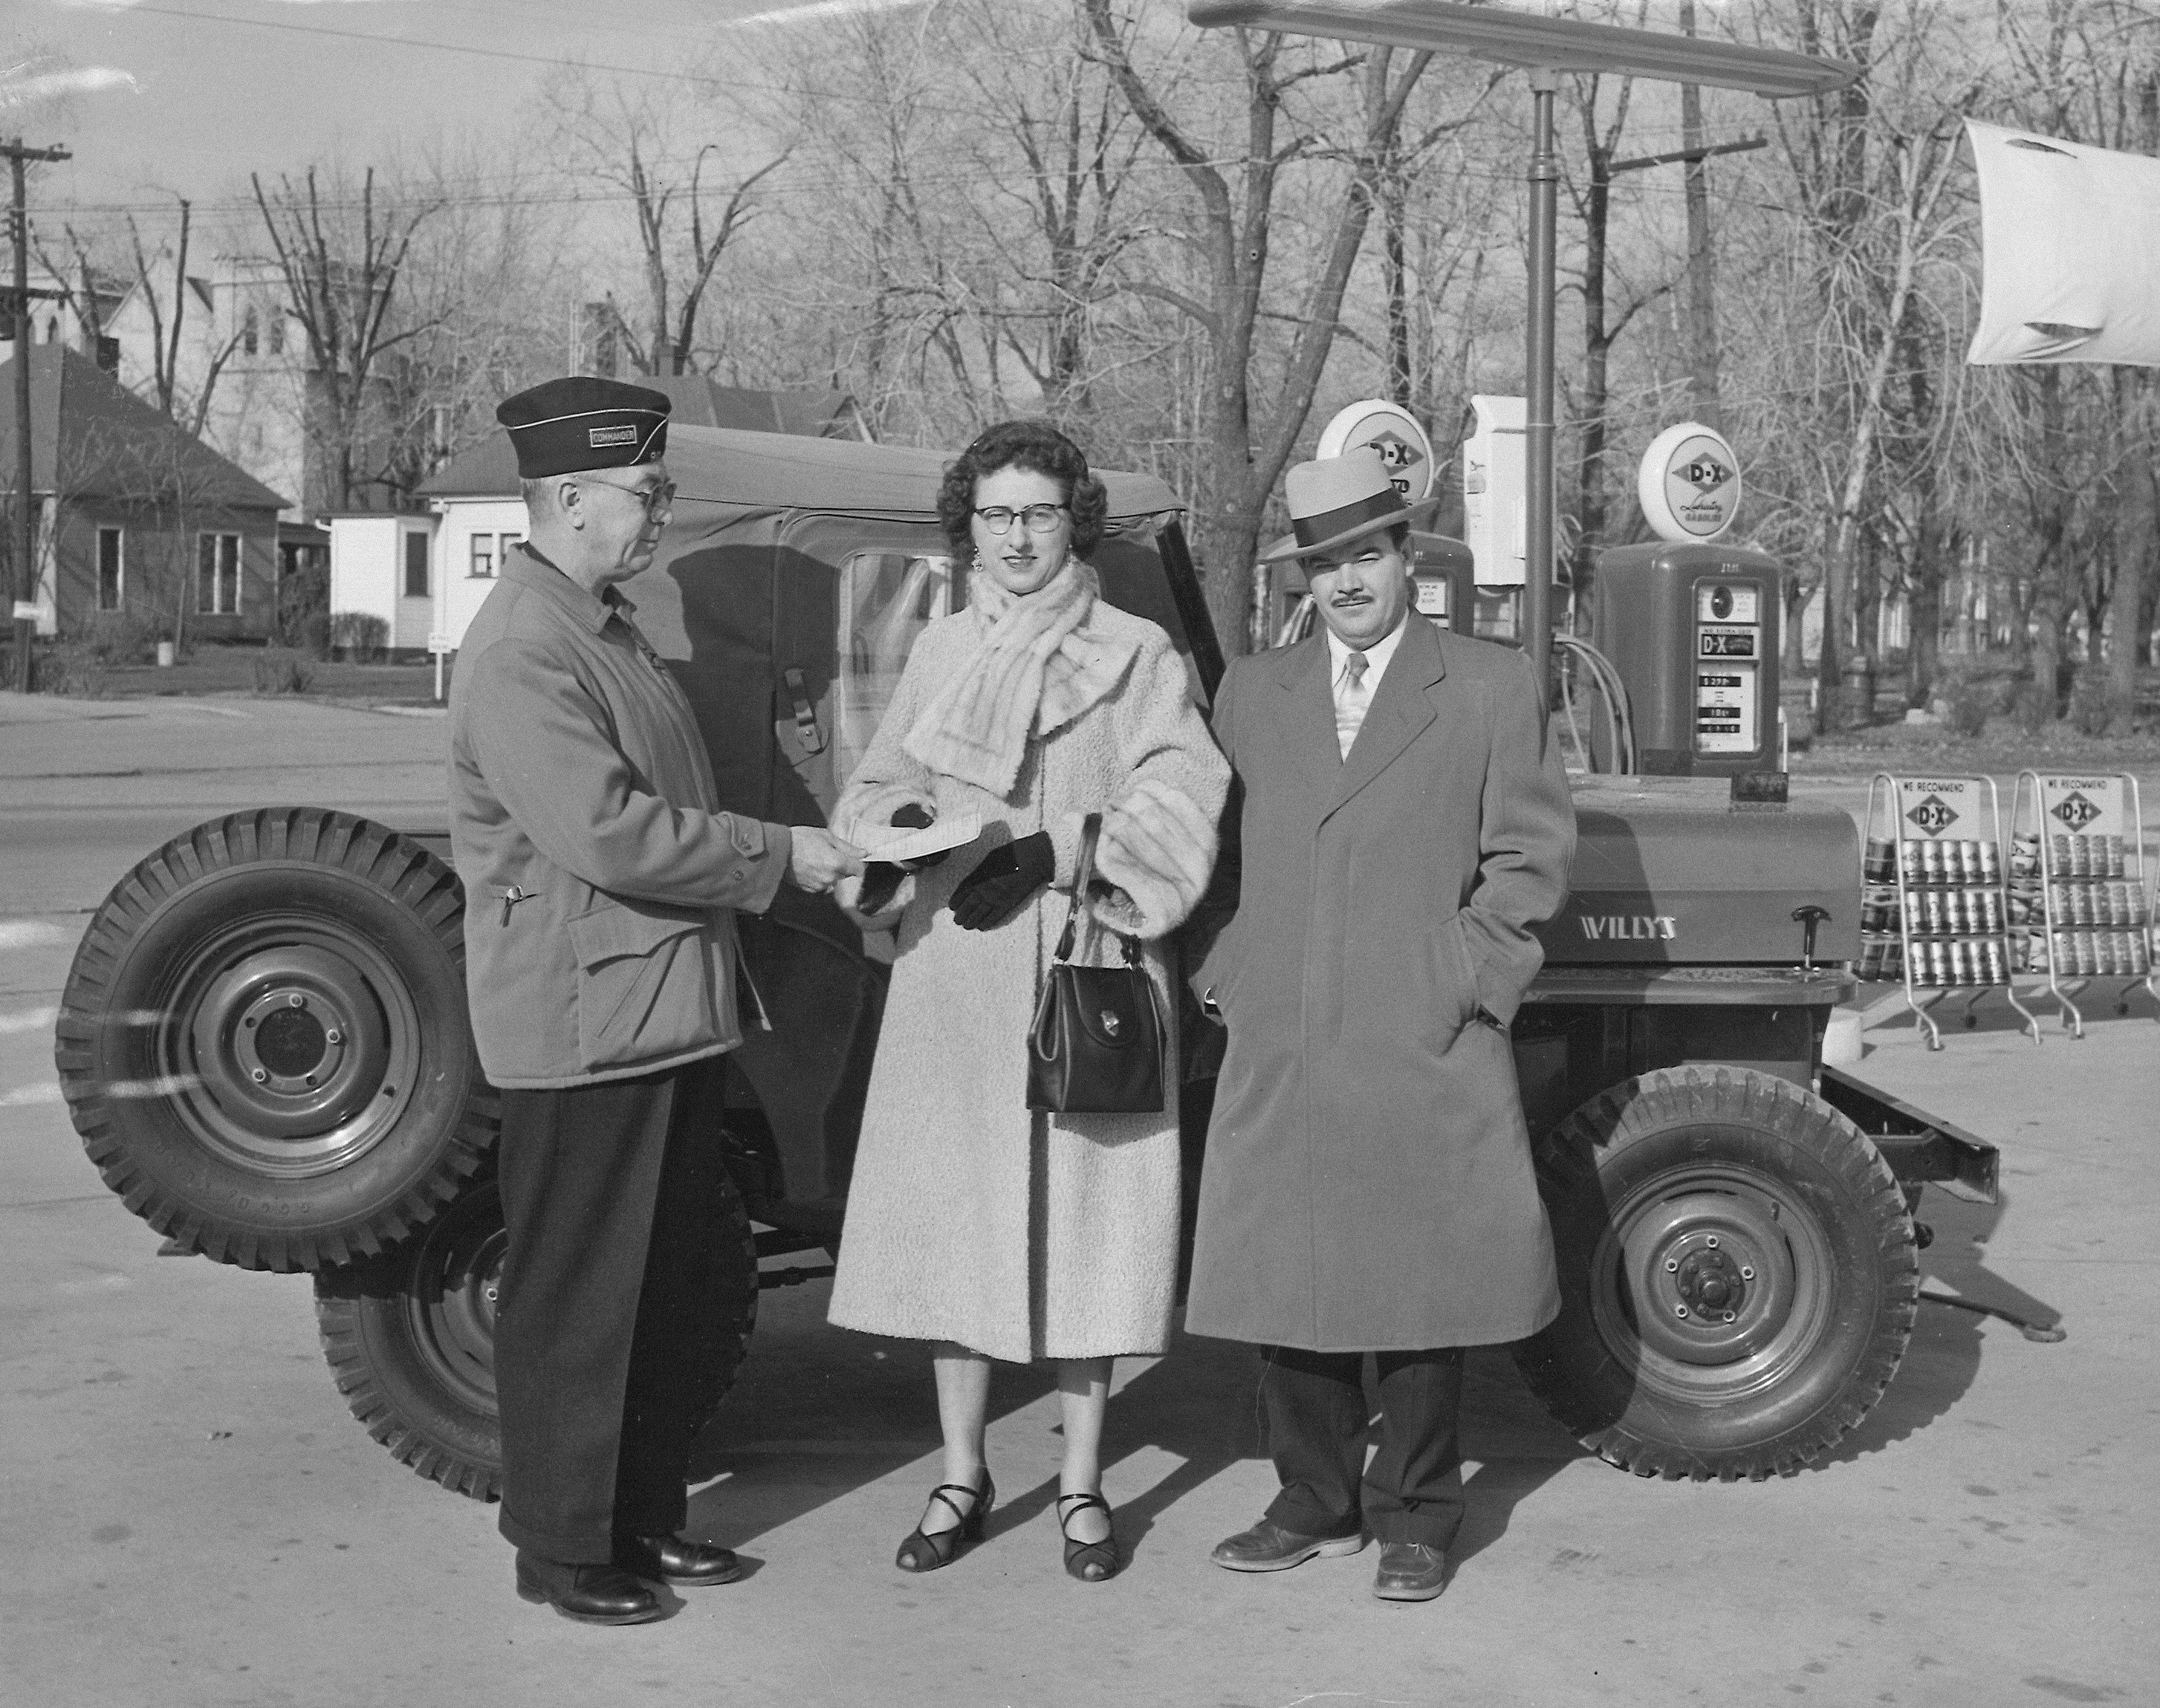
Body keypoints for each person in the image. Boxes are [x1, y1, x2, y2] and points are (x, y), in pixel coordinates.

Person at [447, 376, 863, 1626]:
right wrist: (782, 855)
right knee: (582, 1294)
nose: (659, 513)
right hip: (586, 1026)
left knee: (673, 1284)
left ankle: (641, 1517)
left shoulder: (597, 624)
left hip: (658, 1010)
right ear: (568, 498)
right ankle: (566, 1549)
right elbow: (610, 835)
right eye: (646, 493)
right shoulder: (526, 645)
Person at [823, 420, 1228, 1582]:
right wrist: (909, 829)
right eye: (994, 515)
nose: (1014, 536)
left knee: (1091, 1230)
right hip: (957, 968)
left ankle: (1086, 1486)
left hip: (1087, 965)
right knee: (960, 1231)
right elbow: (880, 783)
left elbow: (1188, 791)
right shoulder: (943, 649)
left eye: (1037, 514)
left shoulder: (1137, 649)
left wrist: (1067, 848)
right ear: (969, 526)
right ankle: (962, 1473)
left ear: (1074, 521)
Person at [1184, 449, 1574, 1604]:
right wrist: (1228, 976)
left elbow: (1531, 861)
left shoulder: (1493, 686)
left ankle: (1416, 1511)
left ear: (1407, 557)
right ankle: (1311, 1496)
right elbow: (1208, 859)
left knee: (1422, 1280)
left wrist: (1460, 976)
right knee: (1288, 1276)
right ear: (1301, 577)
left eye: (1366, 553)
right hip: (1284, 1032)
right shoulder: (1254, 692)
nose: (1347, 581)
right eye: (1323, 563)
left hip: (1424, 1031)